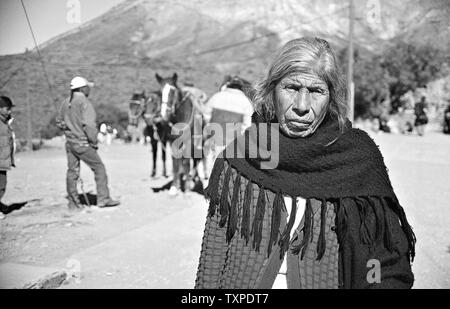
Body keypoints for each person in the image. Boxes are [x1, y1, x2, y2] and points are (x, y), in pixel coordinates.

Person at [195, 37, 415, 289]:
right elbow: (213, 254)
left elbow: (383, 259)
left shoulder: (356, 160)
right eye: (291, 88)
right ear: (271, 90)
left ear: (331, 97)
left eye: (316, 91)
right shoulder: (242, 155)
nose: (302, 106)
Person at [56, 76, 120, 210]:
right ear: (83, 88)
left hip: (70, 143)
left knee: (72, 172)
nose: (89, 90)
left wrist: (69, 127)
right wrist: (93, 142)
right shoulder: (84, 103)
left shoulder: (65, 102)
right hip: (83, 144)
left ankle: (73, 203)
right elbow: (89, 126)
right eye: (88, 87)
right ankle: (103, 199)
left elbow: (59, 122)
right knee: (99, 168)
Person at [0, 96, 15, 220]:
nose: (9, 111)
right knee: (1, 185)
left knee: (2, 185)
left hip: (3, 159)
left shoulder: (5, 122)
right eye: (7, 109)